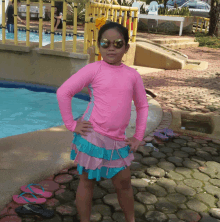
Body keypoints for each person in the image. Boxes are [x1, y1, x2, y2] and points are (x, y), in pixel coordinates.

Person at [56, 22, 149, 222]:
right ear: (99, 46)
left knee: (124, 183)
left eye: (117, 43)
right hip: (93, 136)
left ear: (126, 47)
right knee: (87, 181)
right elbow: (63, 92)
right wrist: (72, 125)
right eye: (105, 43)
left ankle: (130, 220)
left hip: (118, 139)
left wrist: (138, 136)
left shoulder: (132, 75)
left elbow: (142, 106)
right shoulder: (94, 69)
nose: (111, 47)